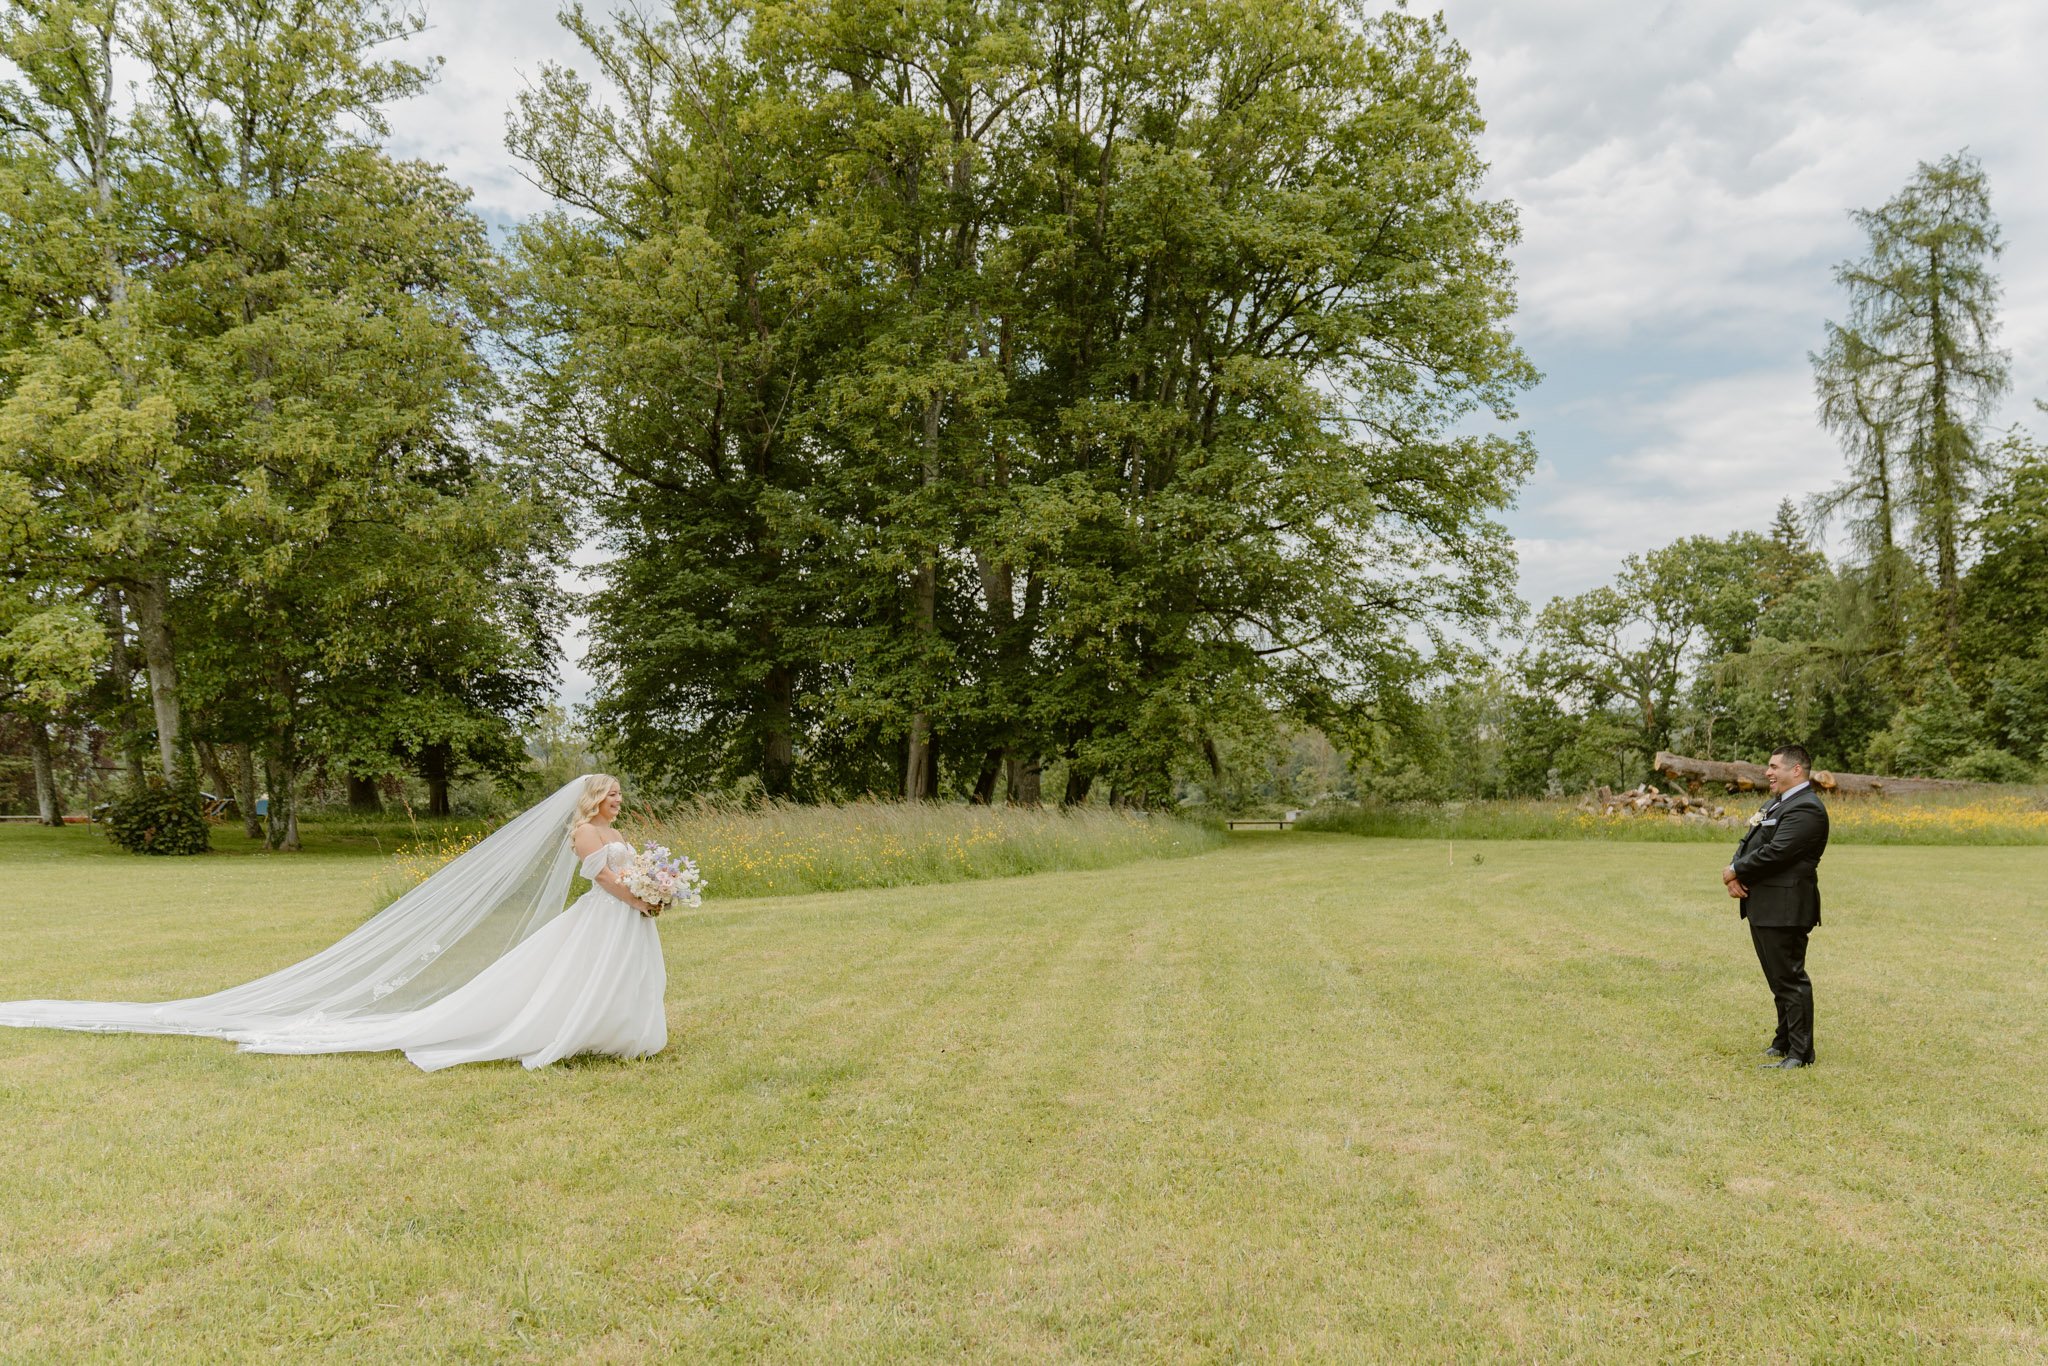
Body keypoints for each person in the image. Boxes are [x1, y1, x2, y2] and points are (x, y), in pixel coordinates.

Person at [0, 774, 667, 1072]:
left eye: (615, 796)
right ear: (589, 800)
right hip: (609, 915)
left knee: (605, 979)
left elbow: (626, 879)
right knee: (567, 980)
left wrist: (654, 892)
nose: (614, 802)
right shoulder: (583, 834)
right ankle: (573, 1033)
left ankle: (614, 1034)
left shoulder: (610, 829)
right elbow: (605, 881)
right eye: (607, 795)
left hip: (624, 919)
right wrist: (642, 895)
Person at [1722, 744, 1829, 1069]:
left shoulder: (1807, 808)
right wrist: (1733, 869)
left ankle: (1800, 1053)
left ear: (1796, 770)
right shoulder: (1775, 804)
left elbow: (1777, 852)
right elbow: (1749, 842)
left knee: (1790, 978)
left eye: (1773, 766)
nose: (1767, 772)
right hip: (1764, 904)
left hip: (1786, 906)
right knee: (1776, 978)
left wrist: (1736, 871)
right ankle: (1783, 1040)